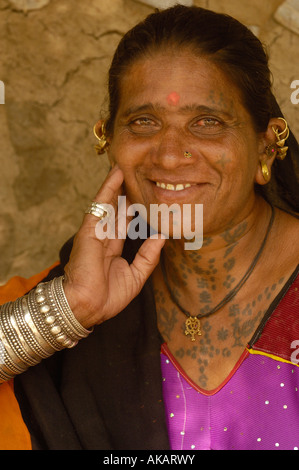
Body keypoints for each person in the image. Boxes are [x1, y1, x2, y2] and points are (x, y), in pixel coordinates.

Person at [0, 5, 298, 451]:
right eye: (144, 122)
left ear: (267, 147)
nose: (171, 155)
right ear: (108, 141)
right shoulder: (78, 291)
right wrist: (67, 310)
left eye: (207, 123)